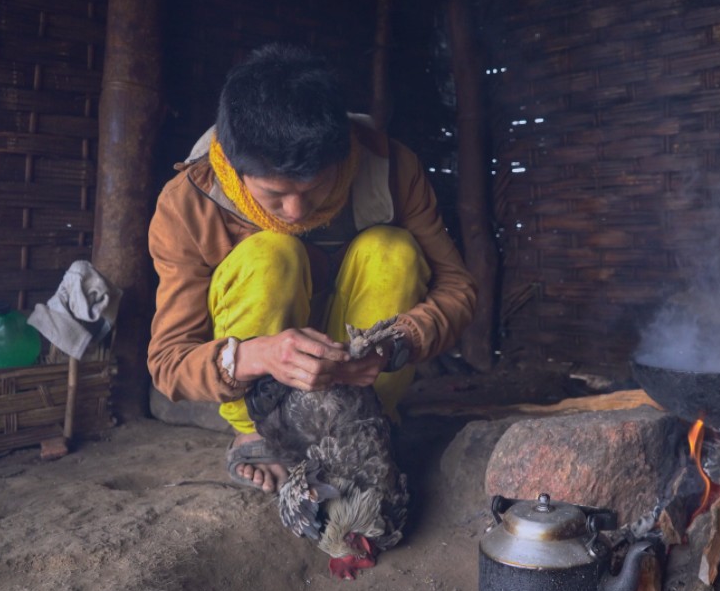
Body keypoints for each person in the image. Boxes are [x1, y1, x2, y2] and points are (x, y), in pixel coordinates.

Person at [147, 43, 477, 494]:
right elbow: (169, 361)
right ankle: (256, 433)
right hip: (260, 384)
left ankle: (364, 425)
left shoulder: (391, 169)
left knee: (392, 251)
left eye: (315, 187)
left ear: (343, 152)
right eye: (273, 194)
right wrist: (257, 354)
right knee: (270, 253)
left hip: (360, 377)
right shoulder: (188, 203)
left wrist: (394, 343)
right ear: (234, 166)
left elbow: (457, 288)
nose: (296, 210)